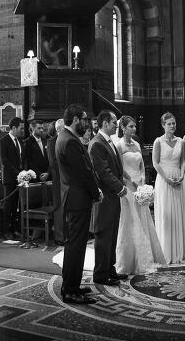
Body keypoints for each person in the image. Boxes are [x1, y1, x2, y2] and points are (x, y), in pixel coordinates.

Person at [56, 104, 101, 304]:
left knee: (76, 245)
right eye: (84, 119)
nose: (86, 123)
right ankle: (70, 290)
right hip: (77, 200)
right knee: (75, 246)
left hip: (75, 199)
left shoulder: (66, 137)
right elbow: (83, 173)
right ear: (75, 119)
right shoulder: (70, 141)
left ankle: (72, 285)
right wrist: (96, 192)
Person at [114, 115, 166, 276]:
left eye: (135, 126)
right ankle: (128, 260)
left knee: (143, 219)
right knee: (130, 220)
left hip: (140, 185)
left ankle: (146, 255)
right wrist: (132, 182)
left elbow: (142, 165)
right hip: (128, 186)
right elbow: (120, 169)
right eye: (131, 126)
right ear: (123, 128)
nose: (134, 129)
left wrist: (142, 180)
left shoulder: (136, 144)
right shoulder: (119, 145)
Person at [89, 110, 128, 286]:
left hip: (112, 197)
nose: (116, 125)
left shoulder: (108, 141)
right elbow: (103, 172)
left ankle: (110, 269)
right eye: (114, 122)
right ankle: (100, 274)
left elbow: (115, 168)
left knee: (112, 235)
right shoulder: (97, 143)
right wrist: (120, 187)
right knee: (104, 235)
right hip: (105, 198)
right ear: (105, 123)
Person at [152, 112, 185, 264]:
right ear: (163, 125)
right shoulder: (158, 141)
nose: (172, 126)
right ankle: (165, 252)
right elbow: (155, 163)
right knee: (166, 215)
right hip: (163, 180)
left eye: (174, 123)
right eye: (169, 124)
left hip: (178, 180)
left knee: (177, 214)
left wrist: (182, 175)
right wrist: (167, 179)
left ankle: (179, 252)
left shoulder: (181, 141)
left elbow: (183, 161)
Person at [0, 117, 26, 240]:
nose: (22, 131)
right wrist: (18, 173)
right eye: (21, 128)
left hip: (19, 179)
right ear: (14, 128)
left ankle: (14, 229)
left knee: (16, 206)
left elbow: (21, 159)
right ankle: (6, 230)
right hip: (9, 178)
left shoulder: (20, 141)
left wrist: (24, 173)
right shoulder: (3, 141)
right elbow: (4, 161)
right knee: (8, 205)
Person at [46, 119, 65, 244]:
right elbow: (53, 162)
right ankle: (59, 236)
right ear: (58, 129)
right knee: (59, 207)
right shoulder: (52, 142)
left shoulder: (67, 140)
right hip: (59, 179)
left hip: (68, 180)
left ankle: (67, 234)